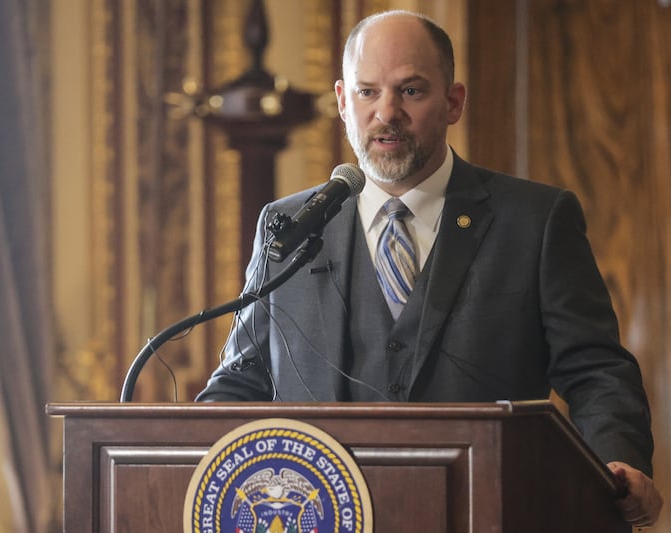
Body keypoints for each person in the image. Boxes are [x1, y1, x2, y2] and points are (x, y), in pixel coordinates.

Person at [196, 10, 663, 526]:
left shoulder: (535, 221)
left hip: (490, 513)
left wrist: (619, 459)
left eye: (411, 91)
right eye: (368, 92)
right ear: (342, 102)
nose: (386, 113)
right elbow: (240, 385)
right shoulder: (288, 224)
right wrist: (186, 455)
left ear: (453, 101)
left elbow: (596, 371)